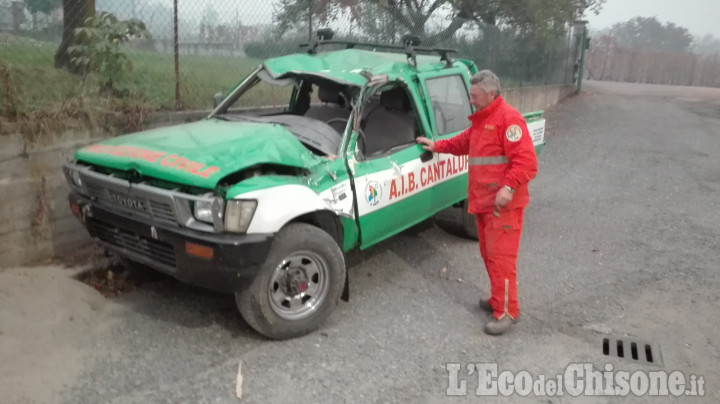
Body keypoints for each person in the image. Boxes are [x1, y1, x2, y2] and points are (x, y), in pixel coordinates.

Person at [416, 70, 538, 335]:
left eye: (475, 96)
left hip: (502, 207)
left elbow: (527, 162)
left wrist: (508, 187)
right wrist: (436, 146)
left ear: (491, 94)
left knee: (501, 259)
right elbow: (464, 143)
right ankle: (499, 300)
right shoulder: (483, 120)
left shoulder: (509, 120)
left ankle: (506, 312)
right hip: (484, 204)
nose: (471, 101)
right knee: (489, 256)